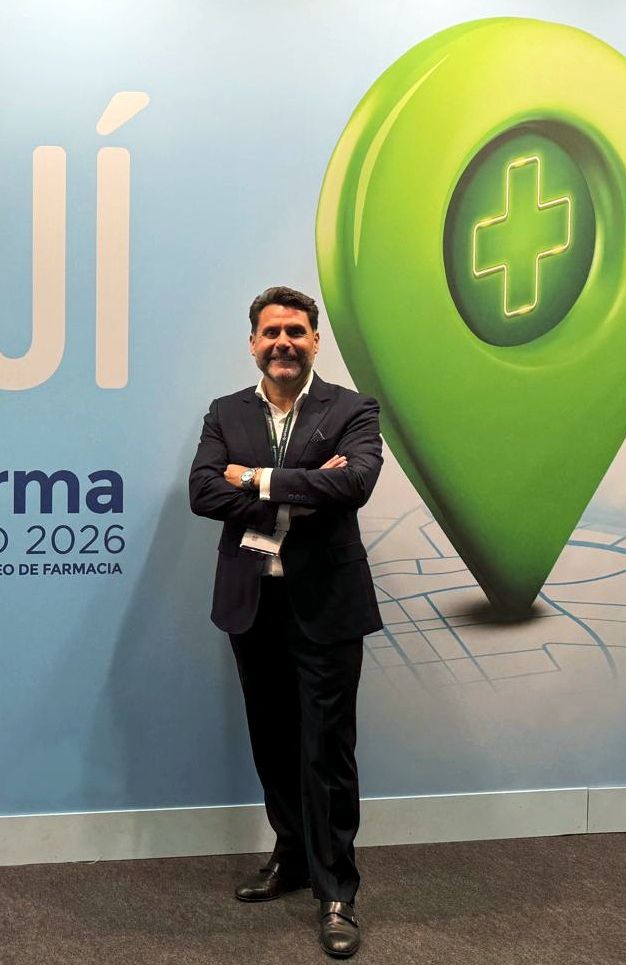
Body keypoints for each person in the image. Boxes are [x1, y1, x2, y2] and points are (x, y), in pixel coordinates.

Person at [188, 286, 384, 959]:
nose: (283, 343)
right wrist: (302, 485)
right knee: (272, 740)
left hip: (327, 605)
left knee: (326, 749)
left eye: (295, 331)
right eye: (271, 331)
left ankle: (337, 891)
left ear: (314, 341)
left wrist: (255, 478)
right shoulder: (225, 412)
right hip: (253, 602)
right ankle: (292, 855)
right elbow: (201, 490)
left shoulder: (352, 409)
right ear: (252, 342)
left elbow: (354, 483)